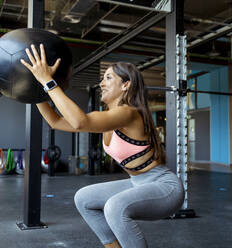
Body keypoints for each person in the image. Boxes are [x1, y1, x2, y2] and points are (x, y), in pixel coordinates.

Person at [21, 44, 184, 248]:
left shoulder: (129, 113)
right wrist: (36, 92)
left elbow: (79, 121)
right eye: (102, 78)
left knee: (115, 207)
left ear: (126, 85)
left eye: (108, 78)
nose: (101, 84)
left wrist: (47, 81)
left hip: (165, 188)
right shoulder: (107, 119)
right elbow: (56, 122)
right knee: (84, 198)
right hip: (137, 182)